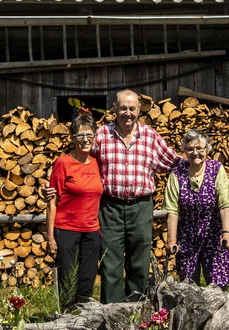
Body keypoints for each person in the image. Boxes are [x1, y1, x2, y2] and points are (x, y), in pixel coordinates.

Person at [45, 90, 182, 304]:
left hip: (141, 206)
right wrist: (53, 187)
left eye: (132, 108)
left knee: (139, 261)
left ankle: (137, 311)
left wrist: (201, 166)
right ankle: (112, 315)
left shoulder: (150, 136)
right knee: (110, 262)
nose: (128, 113)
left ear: (139, 110)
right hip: (110, 207)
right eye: (123, 108)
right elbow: (80, 158)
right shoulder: (101, 135)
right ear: (115, 110)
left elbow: (174, 162)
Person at [162, 129, 229, 287]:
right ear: (184, 151)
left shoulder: (216, 169)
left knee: (217, 287)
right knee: (188, 288)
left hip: (214, 236)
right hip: (187, 238)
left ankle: (220, 312)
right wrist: (172, 240)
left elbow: (225, 204)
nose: (195, 153)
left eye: (199, 149)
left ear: (207, 149)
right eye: (190, 149)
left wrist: (227, 233)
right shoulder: (177, 174)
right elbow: (172, 210)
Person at [46, 109, 103, 311]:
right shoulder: (63, 163)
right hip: (67, 229)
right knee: (67, 278)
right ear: (73, 138)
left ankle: (84, 316)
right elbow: (52, 200)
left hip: (91, 230)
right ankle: (66, 317)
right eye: (81, 135)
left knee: (87, 278)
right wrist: (51, 236)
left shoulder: (97, 163)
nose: (85, 139)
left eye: (89, 135)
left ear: (95, 137)